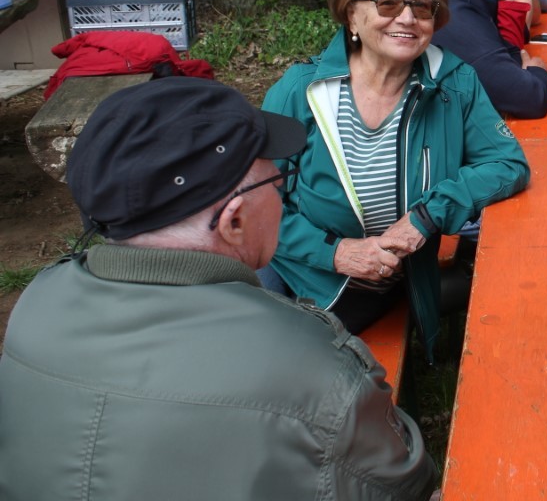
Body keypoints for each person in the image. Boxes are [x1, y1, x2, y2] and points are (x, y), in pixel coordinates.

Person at [0, 77, 439, 499]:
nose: (282, 191)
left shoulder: (38, 301)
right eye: (278, 183)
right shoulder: (313, 368)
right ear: (234, 220)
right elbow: (405, 484)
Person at [261, 0, 530, 347]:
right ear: (352, 14)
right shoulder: (300, 91)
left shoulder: (453, 83)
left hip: (385, 285)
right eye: (387, 3)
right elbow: (254, 203)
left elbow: (508, 164)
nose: (407, 18)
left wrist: (428, 215)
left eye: (422, 7)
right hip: (298, 276)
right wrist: (336, 253)